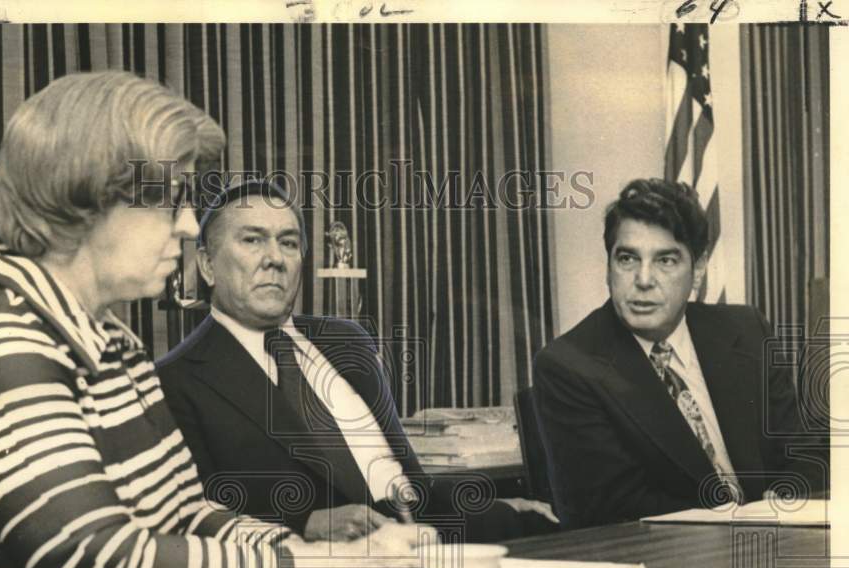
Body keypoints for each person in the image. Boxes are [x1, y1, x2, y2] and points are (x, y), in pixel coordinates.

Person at [0, 72, 425, 568]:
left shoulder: (110, 340)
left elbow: (184, 516)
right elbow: (101, 565)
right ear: (83, 201)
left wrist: (325, 557)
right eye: (169, 203)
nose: (188, 226)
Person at [155, 179, 557, 544]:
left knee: (560, 528)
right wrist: (306, 523)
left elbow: (405, 483)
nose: (275, 258)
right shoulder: (177, 380)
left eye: (289, 243)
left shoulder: (346, 341)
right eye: (253, 240)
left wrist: (502, 504)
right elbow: (193, 519)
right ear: (207, 265)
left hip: (433, 542)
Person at [532, 178, 828, 530]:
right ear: (609, 266)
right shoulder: (570, 365)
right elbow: (605, 510)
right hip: (665, 562)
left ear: (698, 269)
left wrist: (781, 506)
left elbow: (802, 452)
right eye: (627, 258)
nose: (643, 279)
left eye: (666, 260)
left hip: (770, 544)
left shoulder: (745, 330)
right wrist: (740, 521)